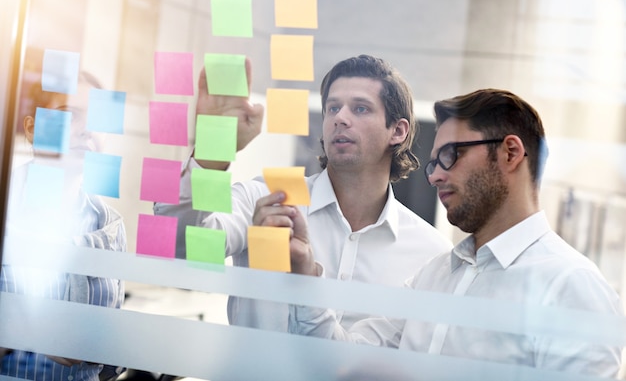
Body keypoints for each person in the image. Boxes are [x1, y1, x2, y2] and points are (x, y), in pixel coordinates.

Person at [285, 88, 623, 377]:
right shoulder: (435, 276)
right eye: (434, 163)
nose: (434, 177)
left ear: (510, 152)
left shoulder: (571, 287)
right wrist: (304, 272)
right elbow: (343, 363)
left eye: (450, 155)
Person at [154, 54, 452, 331]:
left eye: (360, 108)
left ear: (398, 131)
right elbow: (176, 247)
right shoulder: (266, 199)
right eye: (333, 108)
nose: (340, 118)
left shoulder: (431, 255)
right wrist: (211, 151)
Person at [0, 73, 127, 381]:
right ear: (31, 129)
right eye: (70, 115)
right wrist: (29, 331)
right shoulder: (6, 207)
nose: (87, 131)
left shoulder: (108, 225)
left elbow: (110, 363)